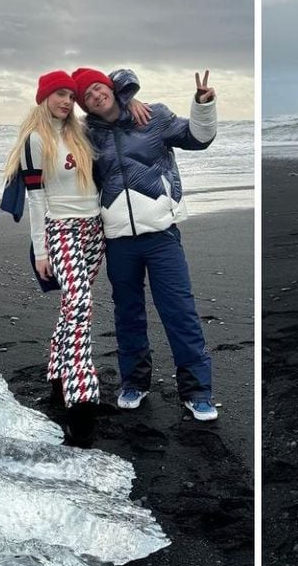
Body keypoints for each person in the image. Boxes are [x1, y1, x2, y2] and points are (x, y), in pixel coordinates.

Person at [71, 65, 219, 421]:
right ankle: (134, 383)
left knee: (179, 311)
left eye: (98, 88)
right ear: (85, 105)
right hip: (118, 239)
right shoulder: (86, 134)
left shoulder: (153, 116)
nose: (95, 96)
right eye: (87, 96)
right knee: (128, 314)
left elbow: (199, 138)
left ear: (110, 88)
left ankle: (198, 391)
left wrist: (202, 104)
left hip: (161, 235)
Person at [2, 71, 112, 446]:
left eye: (70, 95)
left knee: (71, 307)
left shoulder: (80, 133)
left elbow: (119, 111)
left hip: (94, 229)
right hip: (60, 230)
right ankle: (81, 403)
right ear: (44, 97)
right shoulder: (36, 139)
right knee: (80, 304)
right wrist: (41, 250)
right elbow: (35, 199)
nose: (66, 101)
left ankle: (56, 376)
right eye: (59, 95)